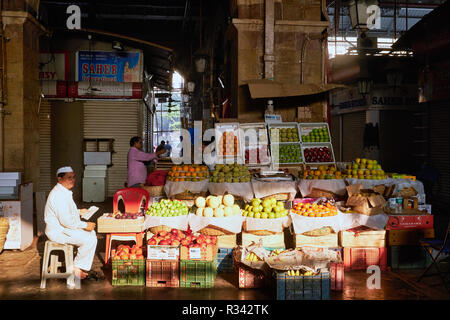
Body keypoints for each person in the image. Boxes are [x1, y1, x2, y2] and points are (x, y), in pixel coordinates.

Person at [44, 166, 99, 284]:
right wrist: (85, 225)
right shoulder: (58, 195)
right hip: (58, 231)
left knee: (91, 234)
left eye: (73, 177)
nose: (72, 180)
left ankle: (77, 266)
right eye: (69, 178)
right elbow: (66, 221)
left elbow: (66, 213)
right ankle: (75, 268)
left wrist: (79, 212)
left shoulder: (63, 191)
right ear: (60, 179)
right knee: (89, 238)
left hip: (64, 228)